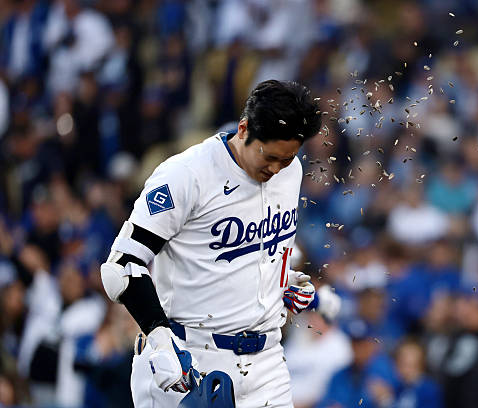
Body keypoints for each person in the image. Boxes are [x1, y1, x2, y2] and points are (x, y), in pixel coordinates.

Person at [100, 80, 340, 407]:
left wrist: (280, 284)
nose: (276, 168)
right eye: (269, 156)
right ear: (243, 129)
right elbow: (121, 266)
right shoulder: (187, 175)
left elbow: (263, 248)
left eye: (286, 159)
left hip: (267, 364)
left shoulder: (290, 170)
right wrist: (159, 338)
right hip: (190, 360)